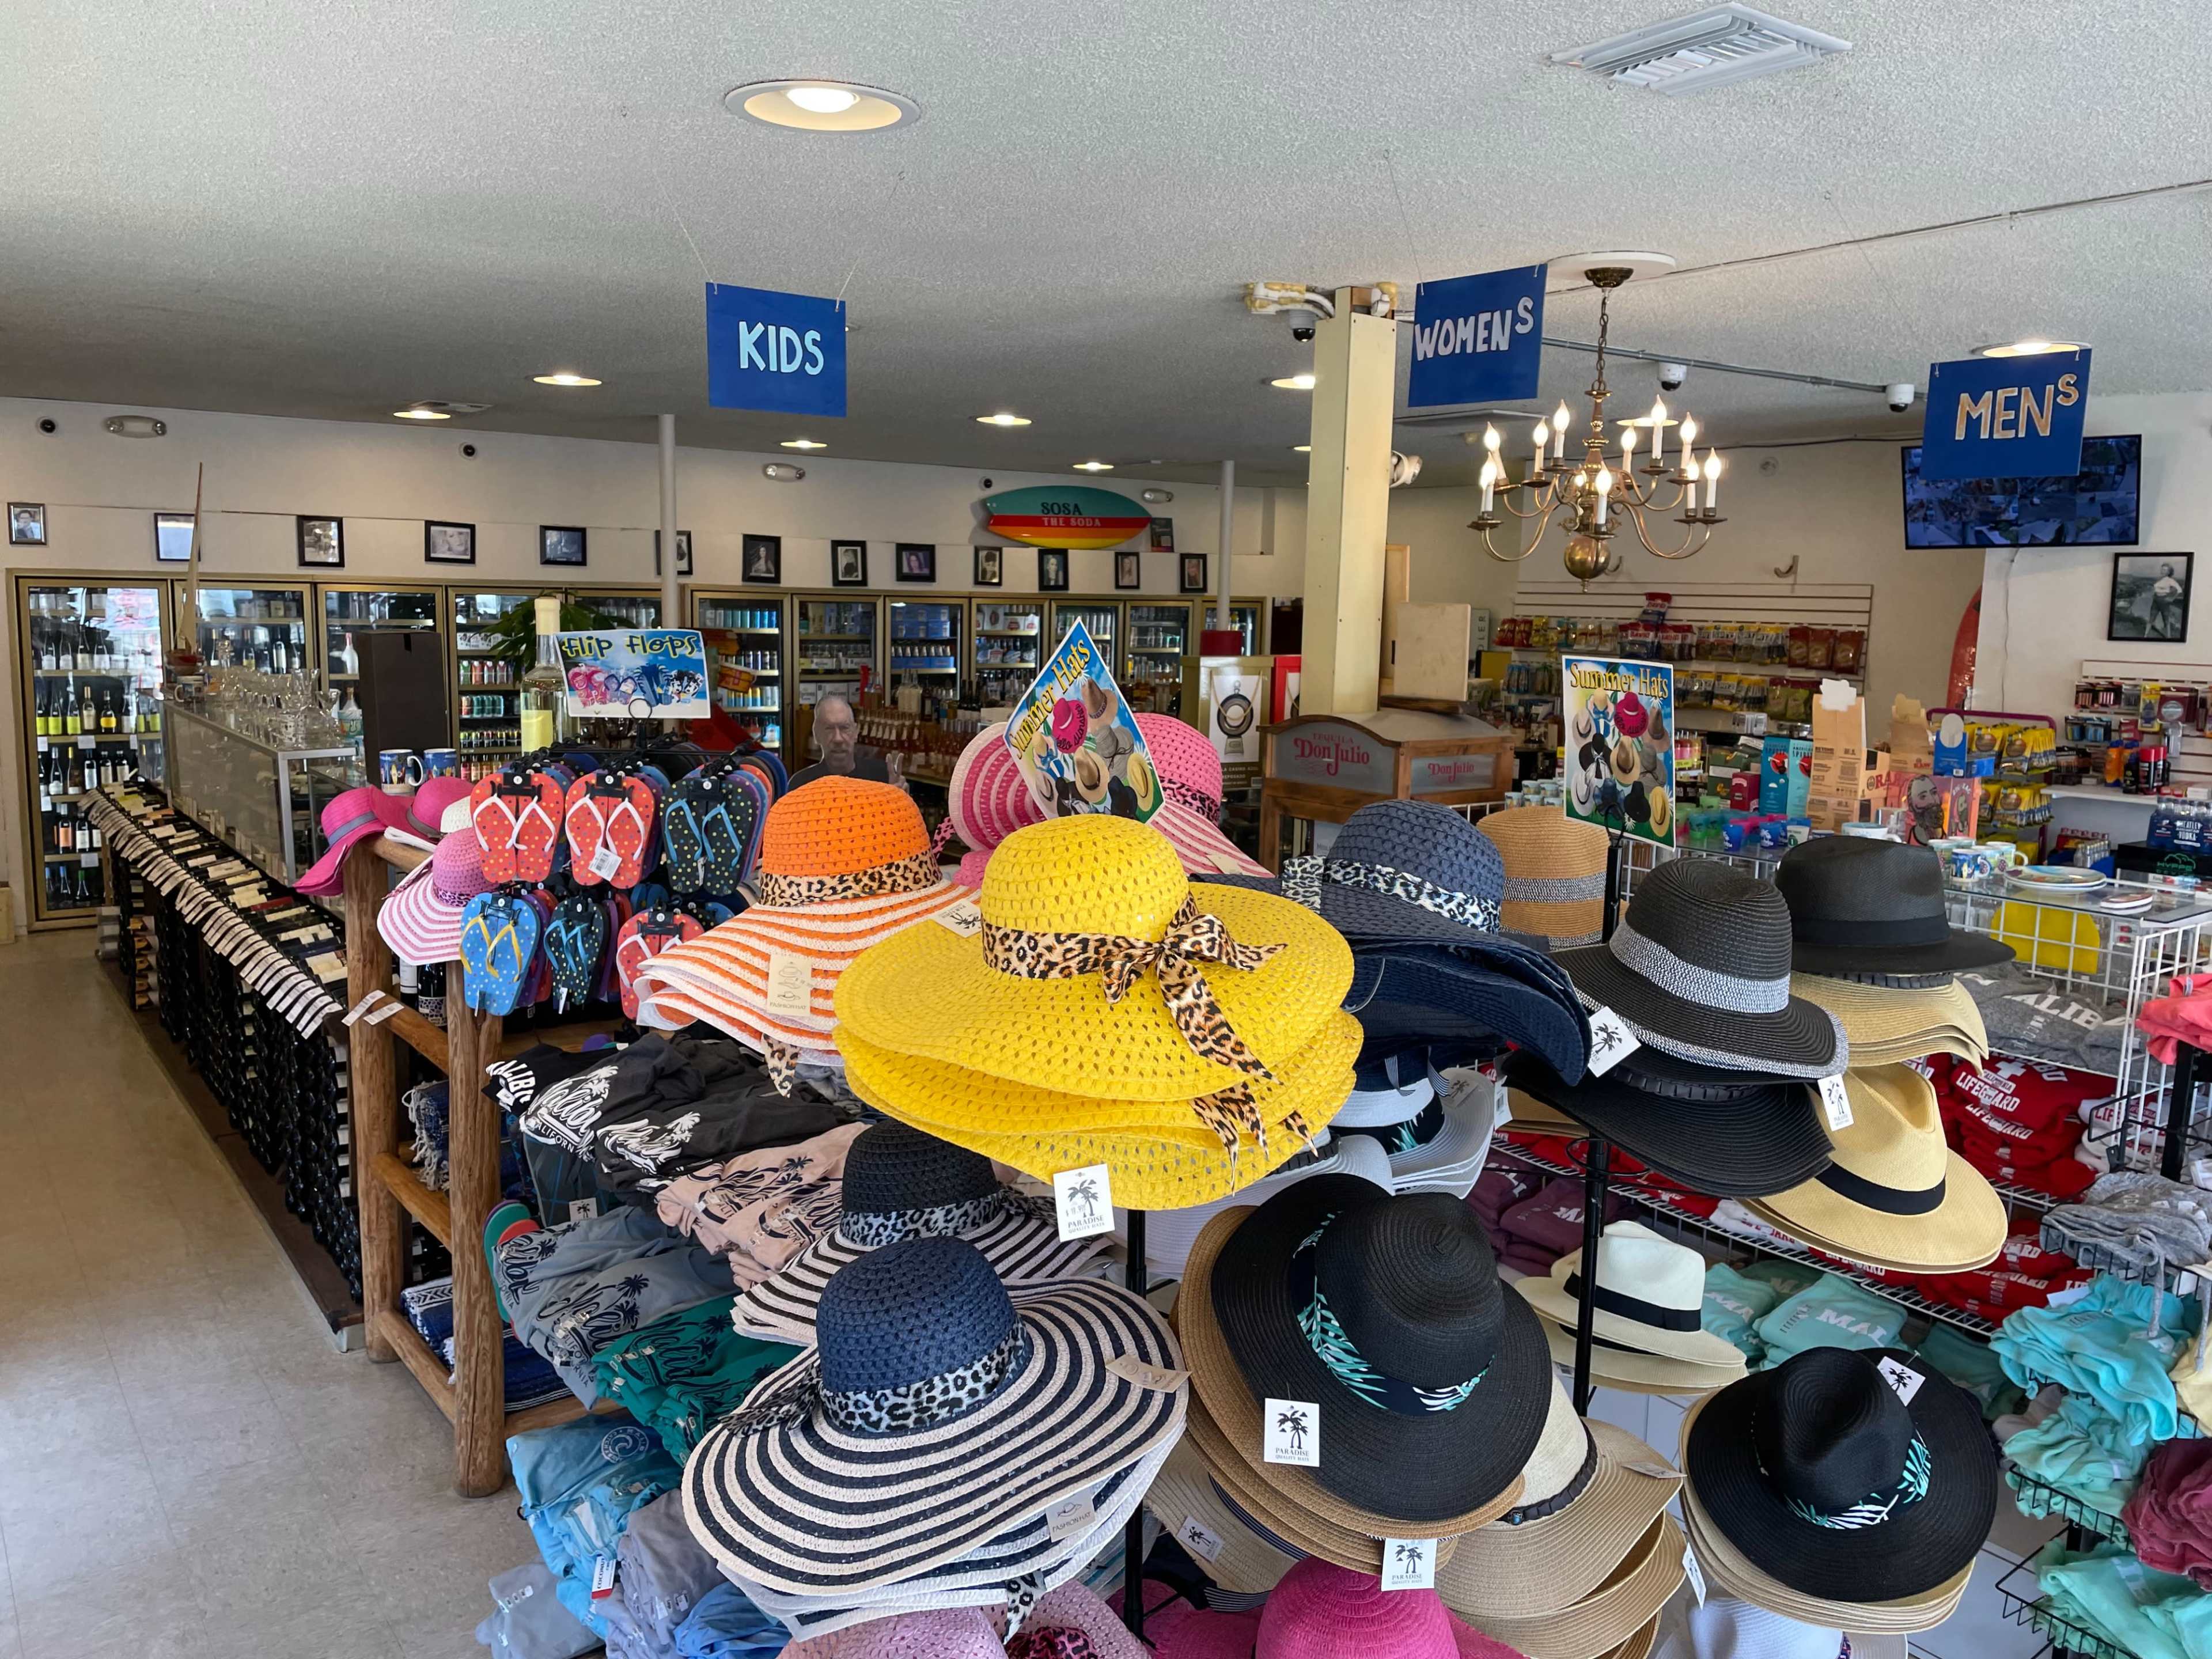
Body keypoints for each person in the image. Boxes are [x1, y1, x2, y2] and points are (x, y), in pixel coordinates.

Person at [788, 694, 901, 790]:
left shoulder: (882, 776)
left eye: (845, 728)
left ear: (856, 732)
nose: (838, 739)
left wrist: (902, 801)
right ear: (817, 735)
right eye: (829, 729)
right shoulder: (800, 784)